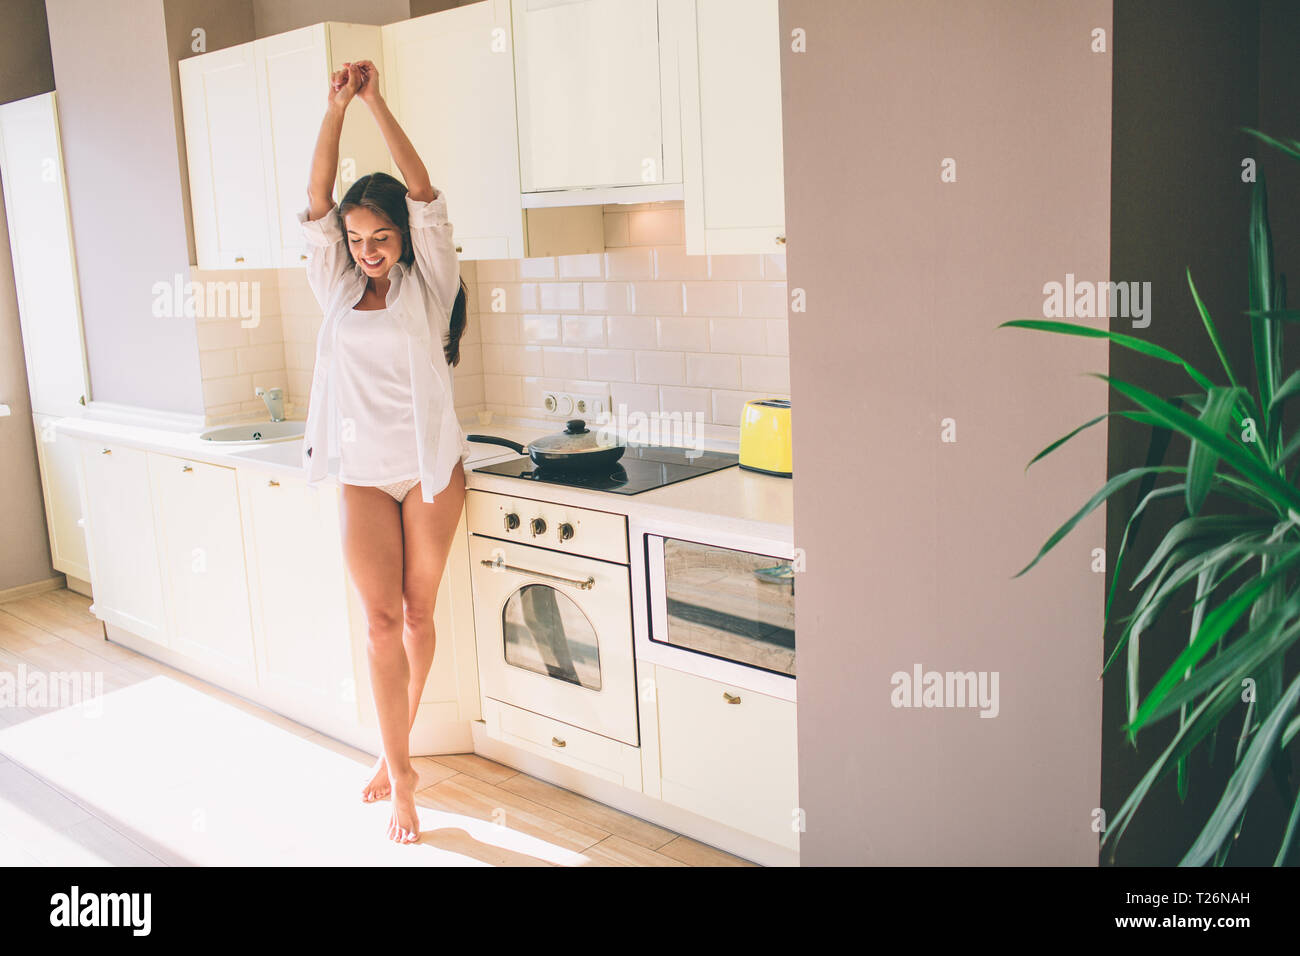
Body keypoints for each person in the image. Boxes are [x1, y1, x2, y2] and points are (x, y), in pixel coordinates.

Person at [299, 59, 471, 844]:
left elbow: (425, 191)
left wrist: (376, 102)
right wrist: (334, 111)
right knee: (378, 622)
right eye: (357, 239)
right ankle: (401, 771)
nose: (367, 250)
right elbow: (314, 204)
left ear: (403, 237)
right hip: (363, 472)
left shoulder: (428, 284)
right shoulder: (335, 290)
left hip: (429, 467)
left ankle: (390, 747)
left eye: (381, 236)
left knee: (418, 613)